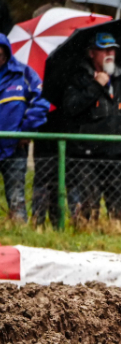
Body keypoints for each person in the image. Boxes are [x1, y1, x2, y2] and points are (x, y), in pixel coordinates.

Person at [62, 32, 121, 222]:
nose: (109, 54)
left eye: (112, 49)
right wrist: (96, 86)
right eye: (104, 49)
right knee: (87, 213)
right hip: (86, 158)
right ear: (91, 53)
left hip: (118, 158)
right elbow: (70, 109)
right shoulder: (78, 79)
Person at [0, 34, 49, 222]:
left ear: (5, 52)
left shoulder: (24, 74)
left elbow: (41, 100)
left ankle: (19, 235)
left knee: (16, 198)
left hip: (15, 148)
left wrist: (27, 129)